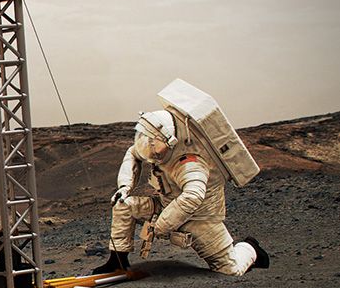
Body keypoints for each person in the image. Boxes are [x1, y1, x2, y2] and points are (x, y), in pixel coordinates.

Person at [92, 110, 269, 276]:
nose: (150, 147)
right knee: (124, 205)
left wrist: (161, 225)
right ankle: (118, 261)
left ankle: (250, 248)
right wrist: (124, 187)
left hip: (200, 219)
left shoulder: (191, 163)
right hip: (166, 205)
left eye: (154, 143)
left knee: (230, 269)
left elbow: (193, 196)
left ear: (170, 141)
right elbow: (133, 153)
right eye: (148, 141)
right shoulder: (157, 146)